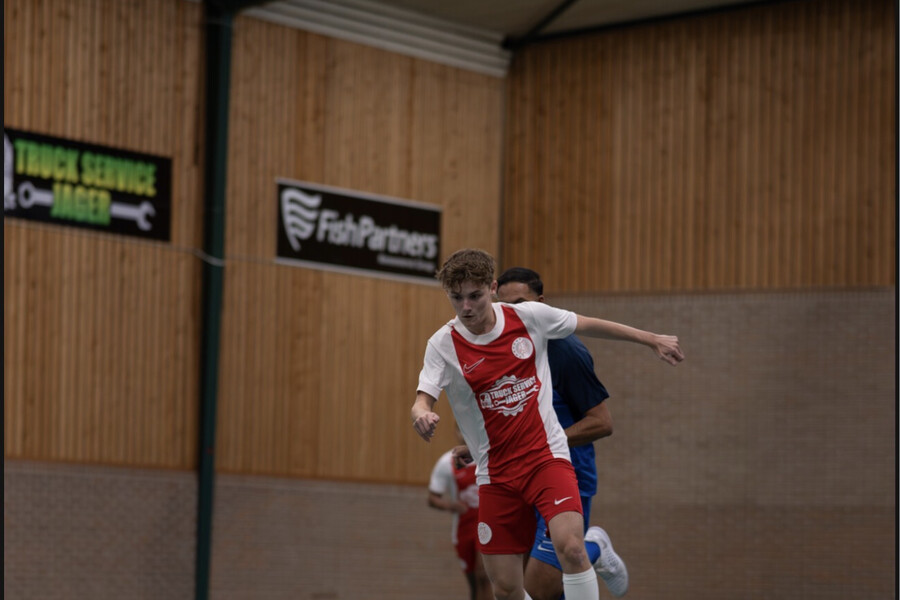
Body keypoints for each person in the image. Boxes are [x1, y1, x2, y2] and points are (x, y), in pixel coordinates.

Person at [411, 249, 684, 600]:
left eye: (475, 296)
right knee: (507, 589)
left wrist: (652, 339)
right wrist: (422, 415)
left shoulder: (530, 318)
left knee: (571, 548)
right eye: (456, 298)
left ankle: (592, 547)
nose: (466, 307)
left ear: (491, 288)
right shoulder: (442, 344)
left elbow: (589, 323)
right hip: (496, 473)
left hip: (546, 457)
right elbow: (423, 398)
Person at [495, 267, 626, 599]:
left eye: (522, 304)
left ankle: (594, 546)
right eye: (506, 307)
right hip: (519, 478)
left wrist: (542, 441)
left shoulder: (566, 352)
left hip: (567, 476)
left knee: (540, 589)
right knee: (520, 588)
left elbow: (602, 423)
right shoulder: (503, 352)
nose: (514, 314)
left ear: (541, 304)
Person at [428, 427, 492, 600]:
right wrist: (451, 505)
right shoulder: (447, 462)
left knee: (484, 576)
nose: (465, 434)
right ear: (456, 432)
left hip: (487, 523)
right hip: (464, 529)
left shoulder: (487, 454)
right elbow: (432, 498)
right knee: (474, 583)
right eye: (461, 430)